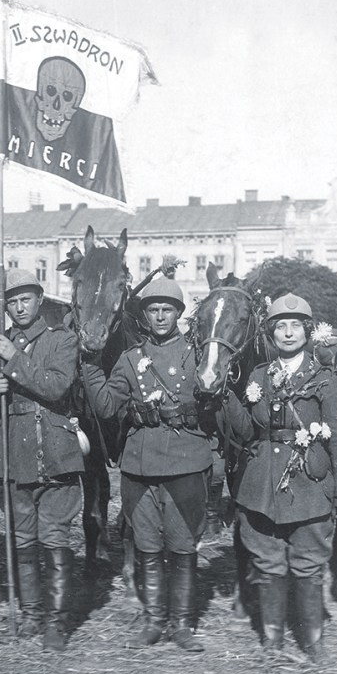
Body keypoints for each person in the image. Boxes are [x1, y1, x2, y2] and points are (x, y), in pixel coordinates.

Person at [221, 293, 337, 665]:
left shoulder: (324, 379)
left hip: (308, 483)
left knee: (309, 561)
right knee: (267, 560)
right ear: (270, 332)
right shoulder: (259, 376)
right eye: (281, 326)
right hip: (262, 483)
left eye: (296, 325)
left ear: (308, 331)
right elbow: (248, 430)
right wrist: (227, 398)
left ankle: (313, 641)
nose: (289, 332)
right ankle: (273, 640)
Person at [82, 278, 212, 651]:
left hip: (186, 460)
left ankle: (182, 625)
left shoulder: (196, 355)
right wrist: (91, 363)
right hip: (140, 463)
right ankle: (155, 621)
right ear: (144, 315)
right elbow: (107, 406)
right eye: (152, 310)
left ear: (179, 314)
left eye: (167, 310)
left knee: (183, 546)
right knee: (149, 545)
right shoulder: (131, 359)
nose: (159, 316)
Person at [0, 268, 83, 652]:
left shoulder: (63, 340)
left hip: (55, 452)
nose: (19, 307)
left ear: (40, 300)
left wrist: (14, 361)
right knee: (23, 538)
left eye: (25, 299)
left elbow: (57, 386)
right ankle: (31, 613)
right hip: (14, 453)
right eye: (11, 301)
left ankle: (57, 622)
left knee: (54, 538)